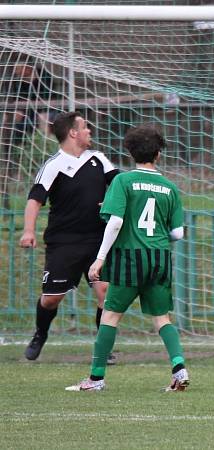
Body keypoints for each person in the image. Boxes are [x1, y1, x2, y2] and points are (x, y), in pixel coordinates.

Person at [66, 125, 188, 391]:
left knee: (110, 316)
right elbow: (177, 233)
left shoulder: (123, 181)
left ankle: (96, 379)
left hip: (129, 259)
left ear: (130, 152)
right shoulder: (170, 187)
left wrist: (99, 259)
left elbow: (116, 221)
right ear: (158, 154)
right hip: (159, 258)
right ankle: (179, 370)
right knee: (162, 318)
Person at [20, 111, 118, 362]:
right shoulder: (53, 165)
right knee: (51, 300)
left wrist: (112, 200)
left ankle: (103, 347)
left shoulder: (98, 159)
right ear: (73, 133)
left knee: (105, 292)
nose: (89, 131)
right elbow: (34, 201)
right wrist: (29, 231)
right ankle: (41, 334)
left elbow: (119, 184)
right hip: (64, 242)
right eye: (85, 127)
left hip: (98, 240)